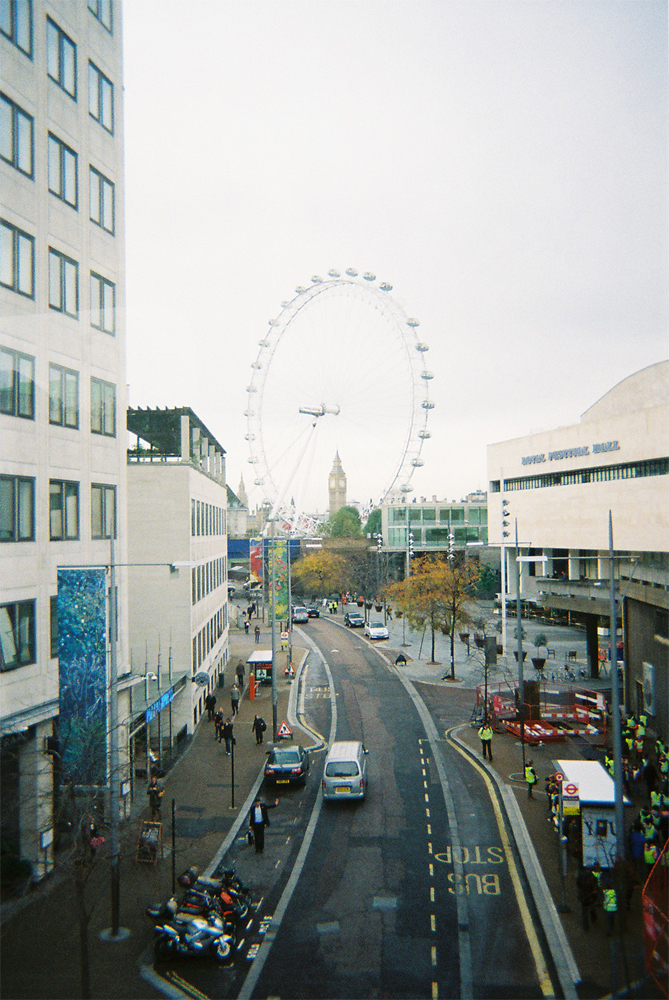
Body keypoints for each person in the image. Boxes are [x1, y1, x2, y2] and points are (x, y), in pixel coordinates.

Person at [576, 865, 599, 931]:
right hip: (591, 896)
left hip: (583, 896)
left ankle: (586, 927)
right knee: (592, 907)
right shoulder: (593, 877)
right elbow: (596, 886)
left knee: (584, 912)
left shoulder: (581, 876)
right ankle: (593, 918)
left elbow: (578, 884)